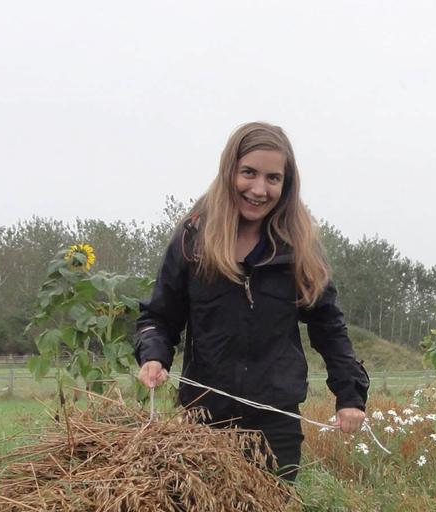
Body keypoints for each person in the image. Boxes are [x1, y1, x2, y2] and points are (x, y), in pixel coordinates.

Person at [135, 122, 368, 482]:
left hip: (276, 424)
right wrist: (153, 355)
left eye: (273, 178)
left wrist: (350, 395)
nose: (259, 189)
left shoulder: (298, 247)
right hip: (204, 421)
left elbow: (328, 326)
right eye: (249, 173)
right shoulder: (193, 240)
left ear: (286, 184)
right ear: (230, 170)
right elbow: (159, 316)